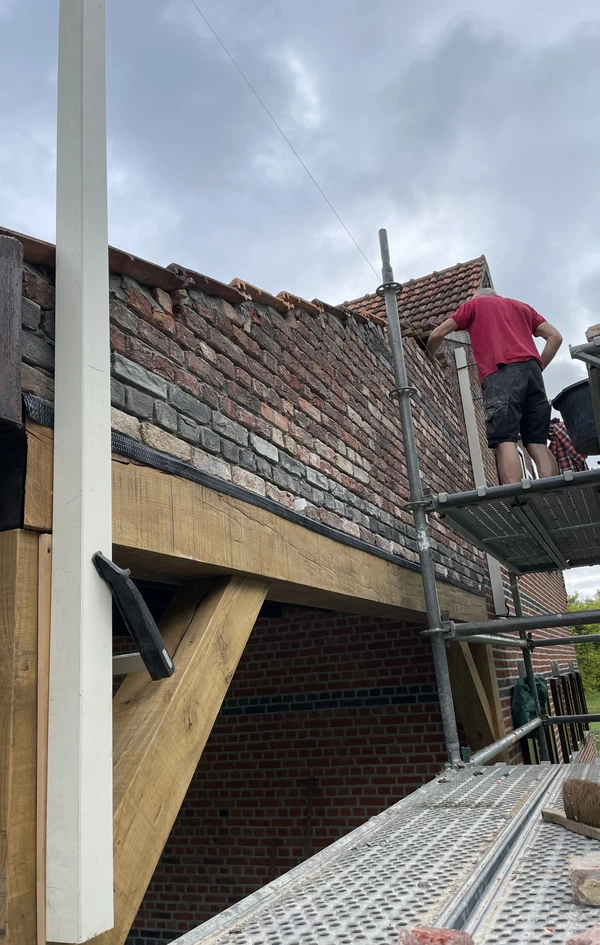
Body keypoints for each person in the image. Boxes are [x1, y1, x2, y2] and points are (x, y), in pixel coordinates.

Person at [427, 288, 563, 484]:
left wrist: (429, 358)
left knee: (505, 438)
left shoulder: (474, 305)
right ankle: (554, 491)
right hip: (533, 374)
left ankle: (515, 496)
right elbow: (555, 337)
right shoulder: (523, 307)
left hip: (501, 373)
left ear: (477, 298)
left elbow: (437, 334)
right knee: (536, 442)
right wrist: (539, 366)